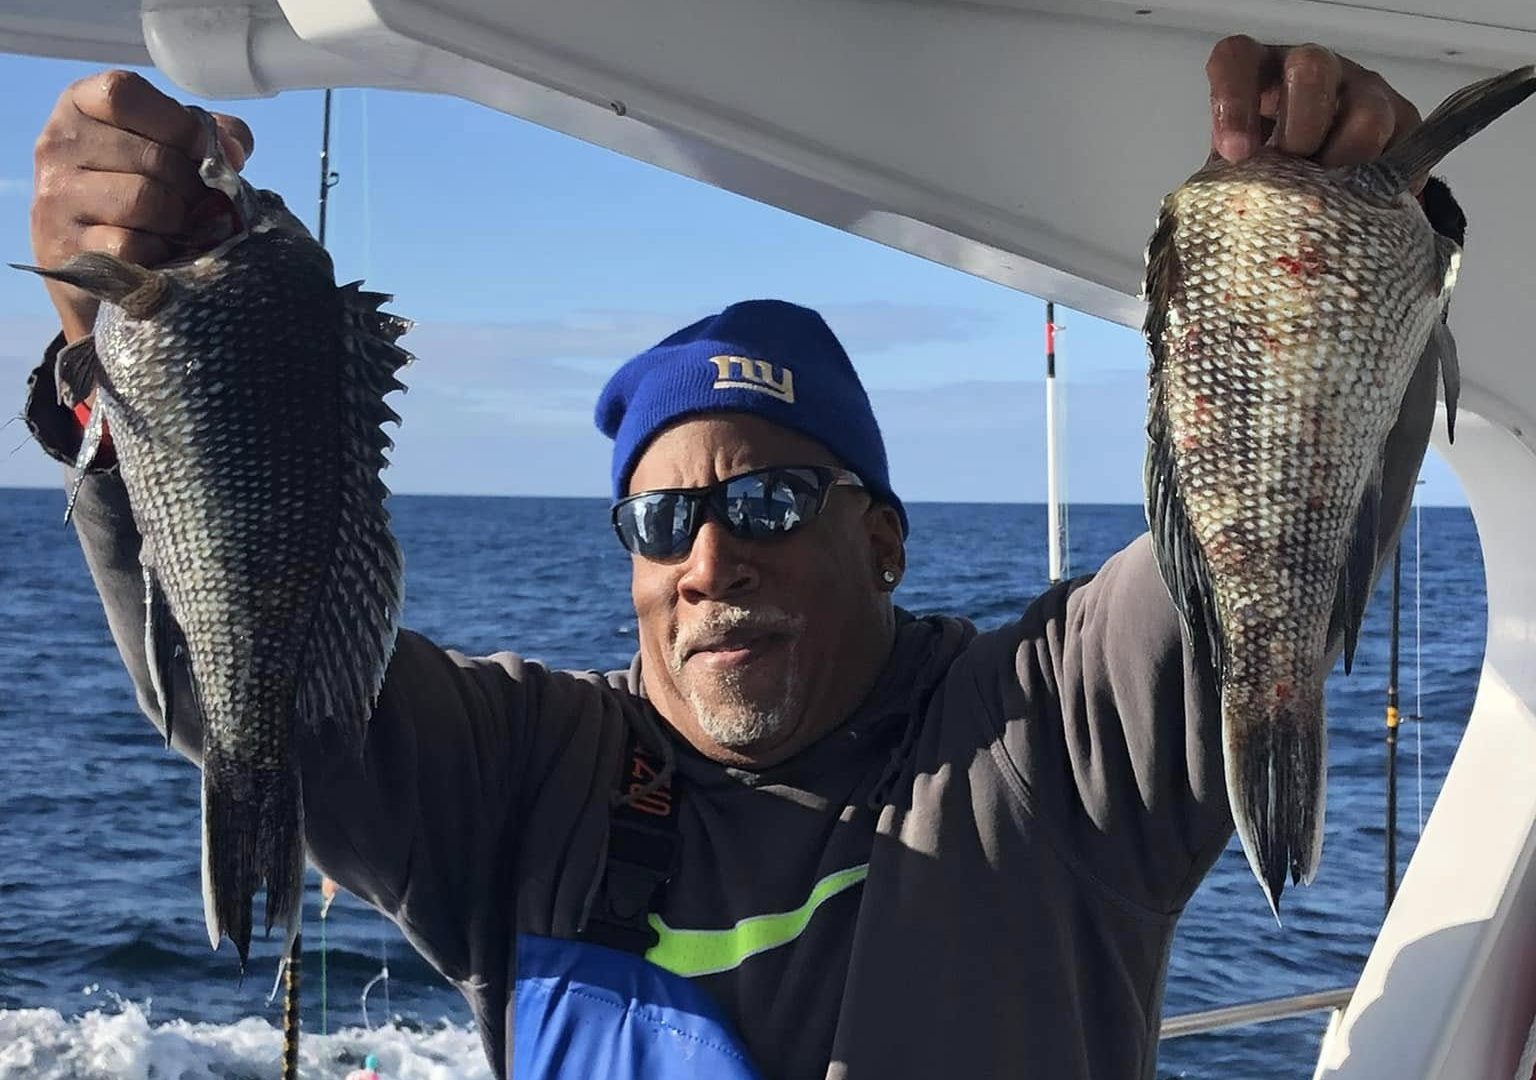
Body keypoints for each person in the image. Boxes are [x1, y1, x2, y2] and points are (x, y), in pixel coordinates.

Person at [21, 35, 1456, 1080]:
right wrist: (125, 367)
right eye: (662, 521)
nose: (711, 559)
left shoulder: (1055, 729)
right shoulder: (522, 773)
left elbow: (1260, 544)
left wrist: (1349, 227)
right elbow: (254, 674)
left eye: (770, 503)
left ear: (882, 541)